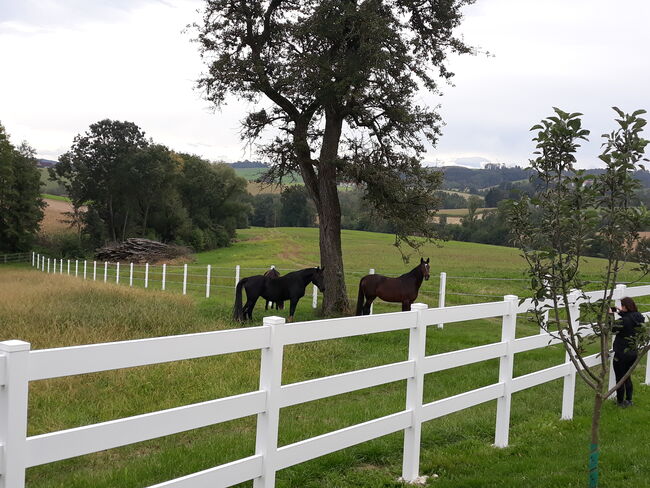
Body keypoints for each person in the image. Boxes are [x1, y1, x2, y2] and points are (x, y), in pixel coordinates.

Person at [610, 297, 645, 407]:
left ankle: (620, 402)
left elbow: (612, 329)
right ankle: (629, 400)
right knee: (627, 377)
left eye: (622, 306)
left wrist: (611, 315)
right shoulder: (638, 317)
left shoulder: (623, 321)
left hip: (621, 353)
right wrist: (619, 312)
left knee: (620, 378)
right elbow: (629, 318)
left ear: (625, 307)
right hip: (633, 352)